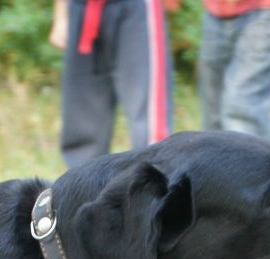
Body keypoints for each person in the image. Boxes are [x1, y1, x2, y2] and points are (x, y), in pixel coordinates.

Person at [50, 0, 176, 168]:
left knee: (150, 129)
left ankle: (155, 189)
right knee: (82, 128)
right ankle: (81, 191)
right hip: (81, 7)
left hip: (135, 9)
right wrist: (61, 14)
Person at [198, 0, 270, 141]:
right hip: (218, 9)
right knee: (213, 108)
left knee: (241, 104)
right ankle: (214, 159)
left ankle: (246, 161)